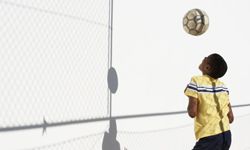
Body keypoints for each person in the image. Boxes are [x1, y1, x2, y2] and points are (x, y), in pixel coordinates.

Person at [184, 53, 234, 150]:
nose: (203, 57)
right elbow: (231, 118)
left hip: (210, 137)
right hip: (227, 136)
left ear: (207, 67)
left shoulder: (196, 81)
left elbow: (192, 113)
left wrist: (191, 94)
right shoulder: (223, 86)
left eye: (206, 58)